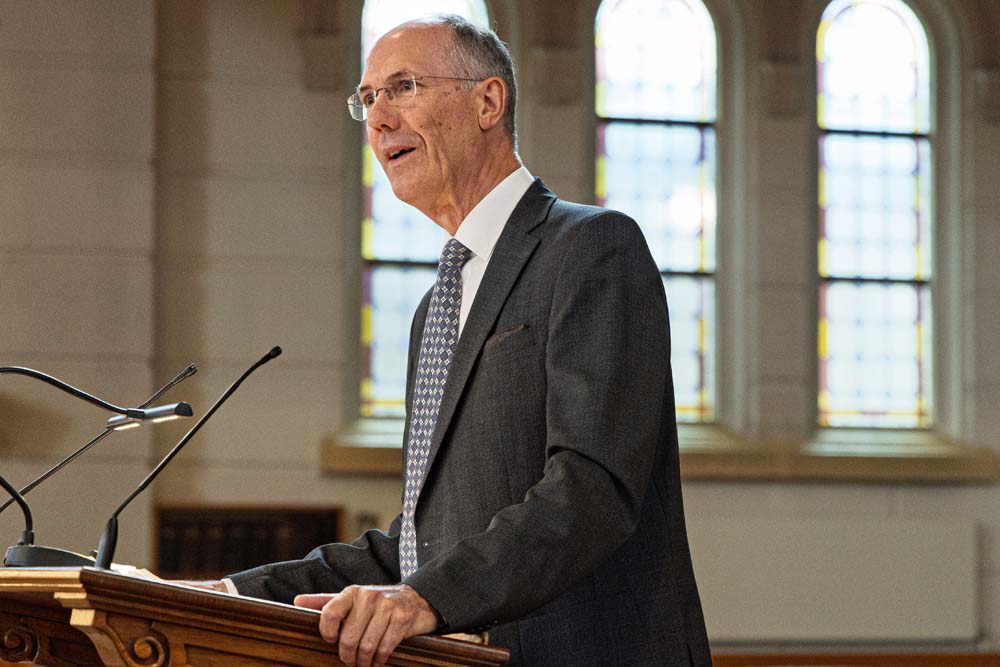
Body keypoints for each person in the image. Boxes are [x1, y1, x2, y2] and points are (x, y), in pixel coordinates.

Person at [221, 15, 711, 667]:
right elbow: (420, 544)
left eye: (403, 87)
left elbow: (592, 487)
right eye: (367, 98)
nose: (379, 118)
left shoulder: (591, 248)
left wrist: (426, 598)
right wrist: (224, 595)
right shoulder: (435, 309)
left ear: (488, 102)